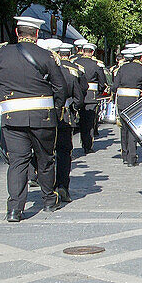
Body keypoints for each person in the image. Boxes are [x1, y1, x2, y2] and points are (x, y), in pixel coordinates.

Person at [0, 16, 69, 222]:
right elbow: (61, 88)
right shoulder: (46, 56)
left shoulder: (1, 54)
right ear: (37, 34)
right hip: (43, 118)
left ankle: (14, 209)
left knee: (18, 163)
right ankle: (49, 200)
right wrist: (56, 107)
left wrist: (5, 94)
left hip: (13, 118)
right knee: (46, 160)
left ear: (16, 32)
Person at [44, 39, 86, 203]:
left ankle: (47, 190)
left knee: (44, 154)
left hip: (44, 117)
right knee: (63, 154)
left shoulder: (39, 70)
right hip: (64, 116)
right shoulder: (70, 72)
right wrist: (73, 109)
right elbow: (79, 98)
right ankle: (62, 187)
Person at [114, 43, 142, 166]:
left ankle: (124, 154)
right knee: (133, 129)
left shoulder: (122, 68)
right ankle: (132, 157)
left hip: (122, 101)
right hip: (135, 102)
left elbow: (114, 87)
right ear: (140, 57)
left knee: (123, 129)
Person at [72, 42, 108, 154]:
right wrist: (99, 92)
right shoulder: (96, 65)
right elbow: (102, 82)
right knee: (88, 122)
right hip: (91, 96)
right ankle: (87, 145)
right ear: (92, 52)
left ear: (82, 51)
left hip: (76, 95)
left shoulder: (75, 63)